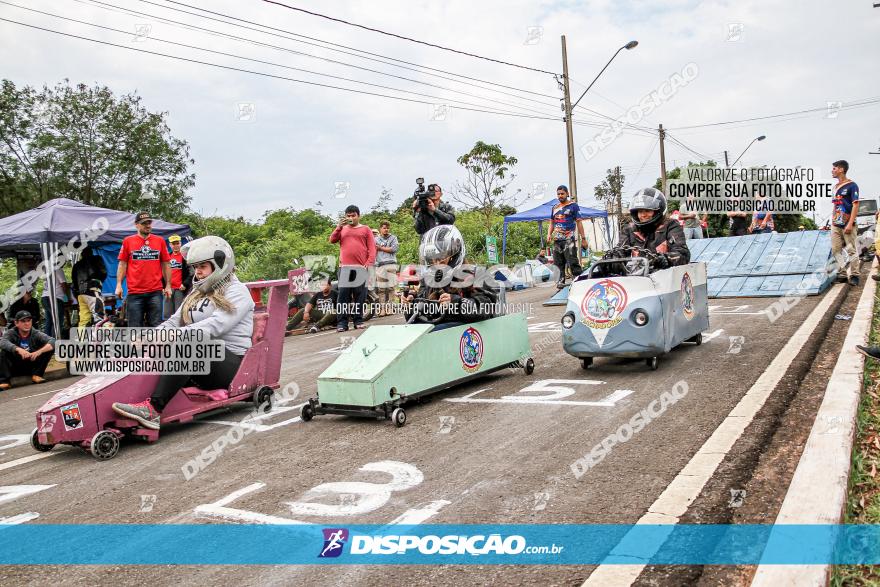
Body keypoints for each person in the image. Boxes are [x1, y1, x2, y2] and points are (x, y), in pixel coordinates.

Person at [110, 236, 254, 430]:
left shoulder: (237, 291)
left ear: (220, 263)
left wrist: (176, 336)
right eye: (195, 267)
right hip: (202, 364)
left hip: (230, 365)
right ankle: (124, 398)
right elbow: (173, 322)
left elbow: (216, 325)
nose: (198, 272)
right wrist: (148, 338)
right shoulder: (197, 293)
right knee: (145, 346)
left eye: (203, 266)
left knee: (189, 342)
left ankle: (153, 409)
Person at [403, 225, 499, 329]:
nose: (437, 263)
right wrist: (411, 306)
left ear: (454, 254)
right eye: (433, 259)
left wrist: (455, 302)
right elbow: (419, 319)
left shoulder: (478, 274)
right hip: (440, 332)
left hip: (467, 331)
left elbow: (486, 308)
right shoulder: (429, 279)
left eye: (441, 258)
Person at [116, 212, 172, 327]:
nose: (148, 225)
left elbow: (166, 264)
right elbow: (122, 264)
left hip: (155, 292)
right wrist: (118, 285)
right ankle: (136, 345)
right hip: (135, 293)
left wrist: (168, 285)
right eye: (144, 223)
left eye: (149, 222)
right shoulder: (128, 241)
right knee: (135, 327)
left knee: (156, 326)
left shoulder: (160, 241)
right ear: (136, 225)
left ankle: (154, 346)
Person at [613, 187, 690, 269]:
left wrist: (666, 259)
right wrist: (612, 260)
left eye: (647, 211)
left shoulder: (671, 225)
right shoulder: (629, 229)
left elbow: (683, 254)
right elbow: (620, 251)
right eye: (640, 211)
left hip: (664, 276)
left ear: (658, 211)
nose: (643, 215)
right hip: (637, 277)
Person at [330, 205, 376, 332]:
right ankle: (342, 323)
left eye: (353, 215)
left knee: (360, 296)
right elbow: (332, 240)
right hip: (344, 267)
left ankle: (358, 320)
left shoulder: (366, 229)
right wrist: (338, 226)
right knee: (343, 296)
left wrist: (369, 262)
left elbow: (372, 248)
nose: (350, 218)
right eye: (348, 216)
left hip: (361, 267)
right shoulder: (342, 229)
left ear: (358, 216)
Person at [0, 310, 55, 390]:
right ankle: (4, 381)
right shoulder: (11, 333)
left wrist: (39, 352)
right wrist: (17, 349)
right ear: (16, 323)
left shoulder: (36, 333)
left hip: (31, 366)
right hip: (16, 367)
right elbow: (2, 342)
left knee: (48, 348)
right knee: (4, 352)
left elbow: (53, 341)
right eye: (23, 321)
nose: (27, 323)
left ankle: (37, 375)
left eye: (29, 321)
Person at [547, 185, 586, 289]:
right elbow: (551, 223)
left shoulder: (573, 206)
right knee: (558, 264)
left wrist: (584, 239)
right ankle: (561, 286)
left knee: (572, 262)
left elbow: (579, 223)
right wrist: (549, 234)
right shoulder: (554, 208)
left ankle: (579, 284)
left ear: (567, 194)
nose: (560, 195)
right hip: (557, 240)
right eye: (558, 194)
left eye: (562, 193)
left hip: (569, 239)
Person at [830, 159, 861, 286]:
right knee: (836, 250)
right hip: (836, 224)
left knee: (851, 250)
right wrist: (832, 221)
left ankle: (855, 275)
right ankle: (842, 273)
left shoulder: (852, 185)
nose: (832, 170)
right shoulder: (835, 187)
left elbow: (855, 205)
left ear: (841, 169)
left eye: (834, 168)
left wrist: (850, 223)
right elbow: (835, 205)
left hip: (848, 224)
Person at [72, 247, 108, 328]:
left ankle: (82, 340)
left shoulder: (76, 265)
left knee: (84, 320)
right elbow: (104, 272)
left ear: (82, 254)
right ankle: (99, 340)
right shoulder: (97, 259)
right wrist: (99, 282)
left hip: (81, 294)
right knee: (99, 317)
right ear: (91, 253)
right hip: (93, 290)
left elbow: (74, 282)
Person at [374, 220, 399, 317]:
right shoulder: (376, 239)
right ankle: (383, 309)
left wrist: (380, 248)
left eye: (387, 228)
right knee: (381, 289)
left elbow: (394, 249)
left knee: (391, 287)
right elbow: (373, 250)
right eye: (384, 228)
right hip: (380, 265)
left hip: (391, 264)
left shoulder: (393, 238)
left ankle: (390, 308)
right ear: (380, 229)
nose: (386, 230)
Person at [164, 234, 192, 319]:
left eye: (177, 243)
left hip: (180, 289)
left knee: (179, 313)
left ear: (180, 243)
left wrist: (185, 284)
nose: (176, 246)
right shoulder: (167, 256)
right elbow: (162, 272)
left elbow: (191, 272)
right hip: (168, 289)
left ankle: (179, 331)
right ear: (170, 245)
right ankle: (168, 331)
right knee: (167, 313)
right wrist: (163, 286)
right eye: (173, 244)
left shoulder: (186, 257)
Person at [40, 265, 69, 339]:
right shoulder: (58, 268)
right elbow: (63, 285)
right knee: (57, 322)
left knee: (49, 321)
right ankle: (54, 343)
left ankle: (46, 343)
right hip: (55, 298)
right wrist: (67, 298)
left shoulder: (48, 270)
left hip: (45, 297)